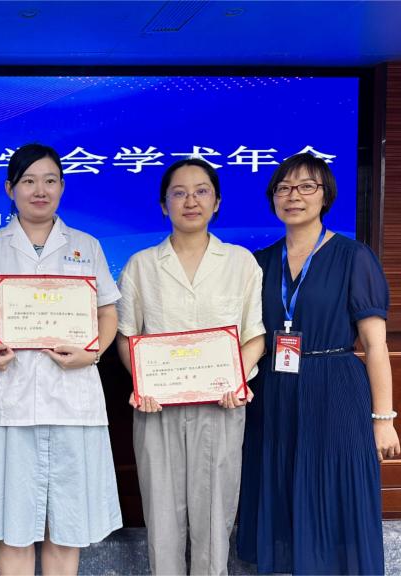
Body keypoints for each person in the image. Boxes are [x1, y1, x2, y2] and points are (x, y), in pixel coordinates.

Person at [0, 143, 123, 575]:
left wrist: (92, 353)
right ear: (10, 189)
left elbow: (108, 313)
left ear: (62, 187)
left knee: (67, 526)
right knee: (12, 529)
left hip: (72, 402)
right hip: (7, 401)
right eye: (28, 181)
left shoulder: (86, 245)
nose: (40, 190)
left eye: (50, 180)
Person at [236, 153, 400, 574]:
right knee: (281, 485)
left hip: (335, 386)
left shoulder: (353, 256)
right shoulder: (260, 262)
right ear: (273, 198)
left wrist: (383, 418)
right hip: (275, 389)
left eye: (307, 187)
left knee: (334, 488)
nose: (294, 196)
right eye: (284, 188)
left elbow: (375, 345)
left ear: (326, 196)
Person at [116, 158, 265, 575]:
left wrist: (236, 378)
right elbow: (126, 335)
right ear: (163, 205)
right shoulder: (141, 264)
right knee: (162, 516)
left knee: (215, 518)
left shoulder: (240, 262)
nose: (190, 201)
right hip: (157, 408)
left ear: (217, 202)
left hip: (223, 405)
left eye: (201, 192)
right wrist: (143, 382)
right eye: (178, 193)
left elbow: (254, 334)